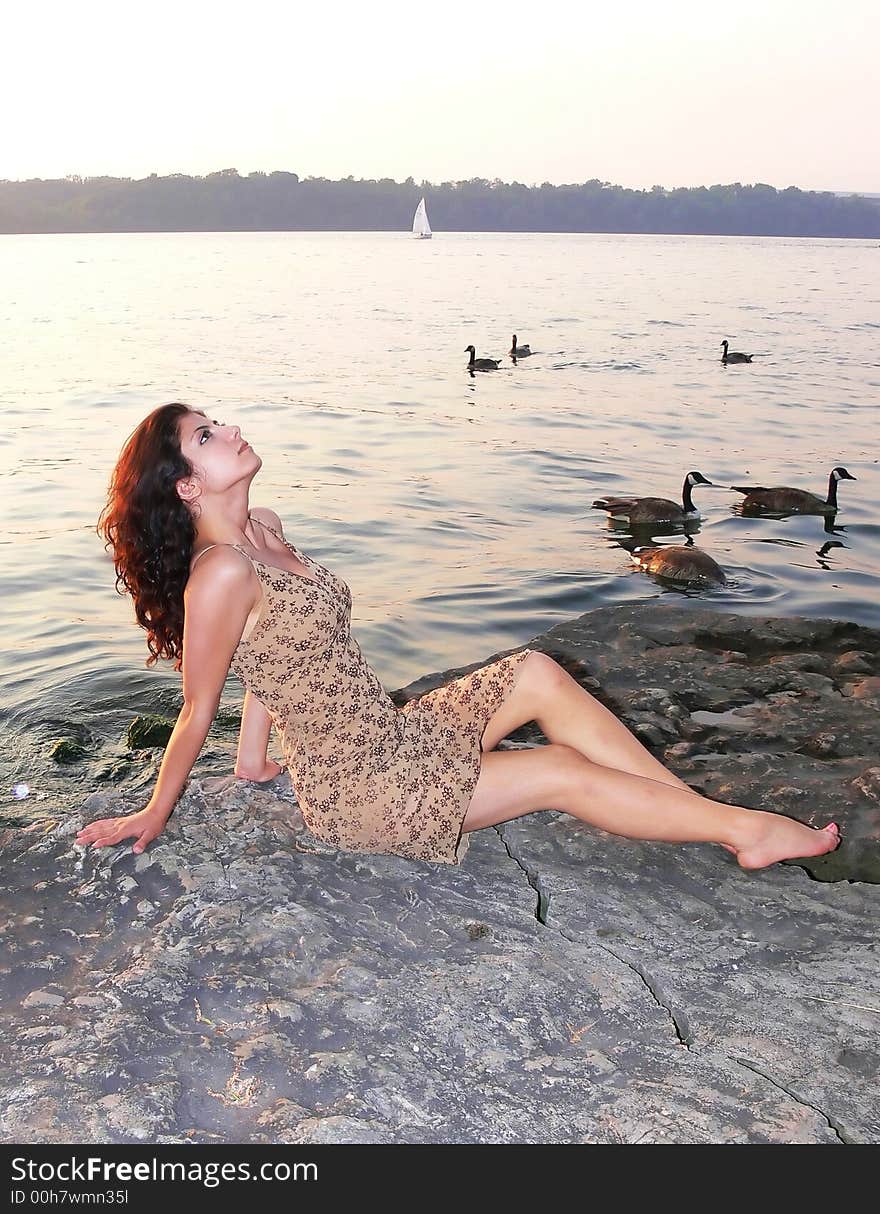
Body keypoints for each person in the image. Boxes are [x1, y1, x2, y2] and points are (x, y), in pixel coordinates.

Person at [76, 403, 841, 872]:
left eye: (219, 420)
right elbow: (195, 706)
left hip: (394, 737)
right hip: (365, 793)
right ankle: (748, 833)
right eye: (207, 435)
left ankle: (678, 808)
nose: (231, 429)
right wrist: (155, 812)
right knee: (557, 770)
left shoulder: (266, 528)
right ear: (186, 485)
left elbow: (272, 659)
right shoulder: (217, 574)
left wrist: (253, 763)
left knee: (536, 670)